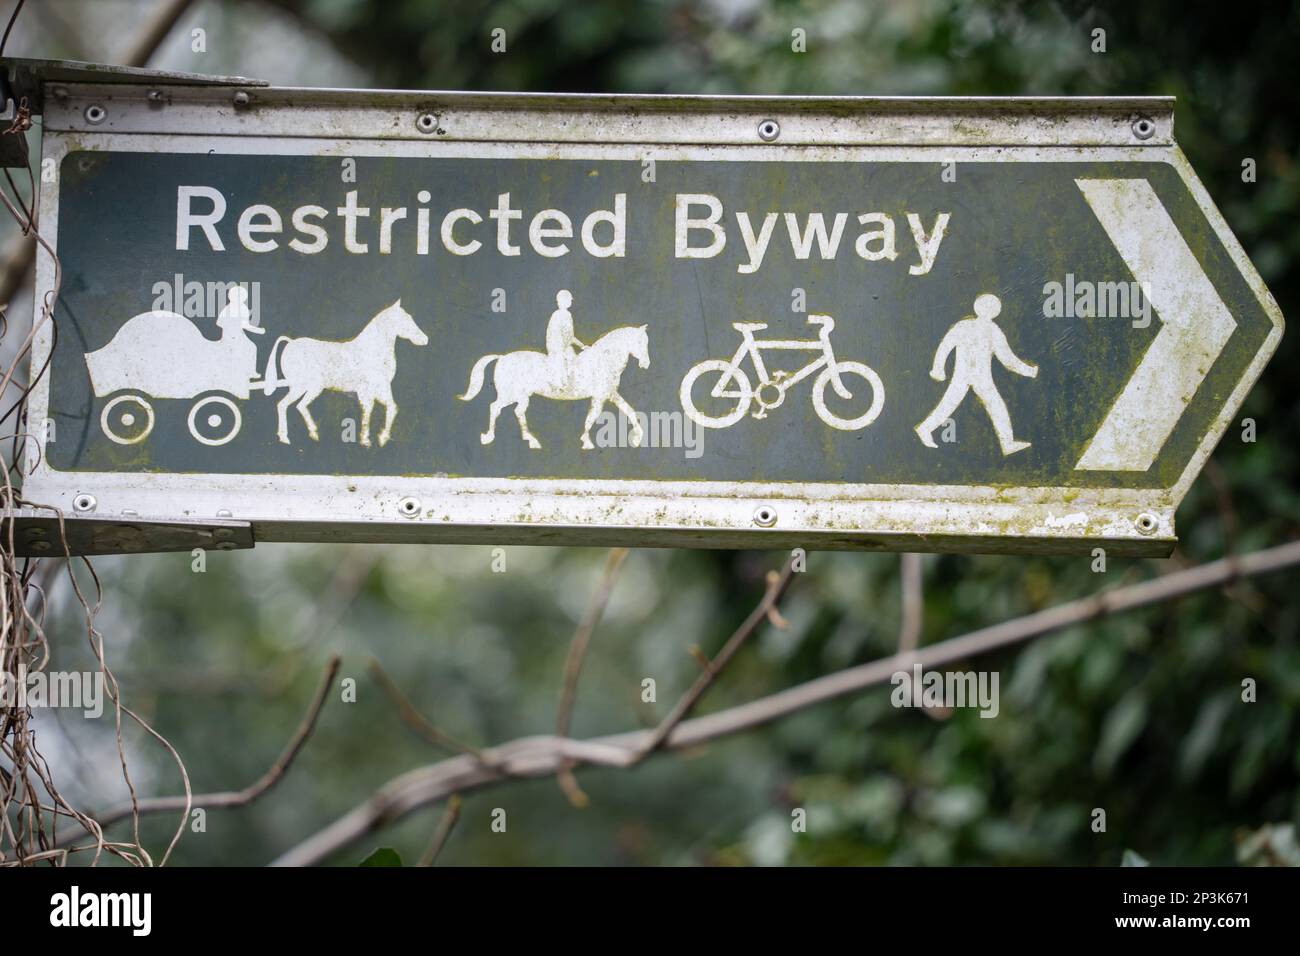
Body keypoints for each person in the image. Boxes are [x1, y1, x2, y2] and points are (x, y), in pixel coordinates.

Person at [915, 293, 1037, 456]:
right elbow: (1007, 359)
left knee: (982, 405)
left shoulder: (975, 327)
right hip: (972, 376)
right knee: (984, 405)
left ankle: (1007, 443)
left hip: (977, 377)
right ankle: (1007, 443)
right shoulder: (984, 329)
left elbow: (1007, 358)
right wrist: (1029, 371)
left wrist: (938, 368)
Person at [215, 286, 264, 398]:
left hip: (227, 335)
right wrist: (259, 330)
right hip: (236, 335)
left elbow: (219, 323)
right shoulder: (242, 308)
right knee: (251, 347)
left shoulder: (227, 308)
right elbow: (245, 325)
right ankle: (251, 371)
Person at [545, 289, 587, 392]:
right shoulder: (559, 315)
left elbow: (570, 336)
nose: (571, 302)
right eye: (569, 300)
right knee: (562, 360)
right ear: (563, 301)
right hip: (556, 346)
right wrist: (561, 349)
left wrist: (582, 346)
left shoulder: (567, 315)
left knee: (574, 360)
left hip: (564, 345)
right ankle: (558, 385)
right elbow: (554, 334)